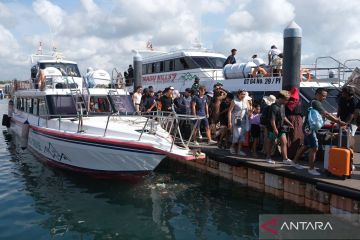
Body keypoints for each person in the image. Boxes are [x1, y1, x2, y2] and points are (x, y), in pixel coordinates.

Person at [293, 88, 347, 175]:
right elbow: (325, 114)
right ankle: (311, 169)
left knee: (305, 145)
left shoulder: (312, 101)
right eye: (323, 96)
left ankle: (294, 162)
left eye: (325, 96)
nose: (324, 98)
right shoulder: (316, 102)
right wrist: (339, 122)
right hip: (310, 128)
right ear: (317, 94)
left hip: (307, 127)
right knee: (314, 148)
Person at [265, 90, 294, 165]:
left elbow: (283, 116)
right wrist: (275, 129)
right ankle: (268, 157)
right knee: (271, 142)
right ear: (281, 98)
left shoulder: (282, 106)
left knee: (284, 142)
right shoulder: (274, 107)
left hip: (281, 127)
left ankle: (285, 158)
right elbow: (272, 120)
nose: (287, 101)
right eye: (286, 99)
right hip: (272, 128)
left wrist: (289, 123)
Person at [228, 89, 251, 156]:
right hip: (236, 119)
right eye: (242, 94)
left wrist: (250, 110)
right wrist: (229, 122)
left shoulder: (246, 101)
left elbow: (249, 110)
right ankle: (232, 147)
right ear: (238, 94)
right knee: (236, 135)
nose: (243, 95)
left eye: (244, 94)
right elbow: (229, 111)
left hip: (244, 120)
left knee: (242, 135)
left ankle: (239, 150)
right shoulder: (234, 101)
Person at [285, 87, 304, 159]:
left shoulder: (287, 102)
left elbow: (285, 113)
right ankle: (296, 154)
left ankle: (289, 153)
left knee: (290, 137)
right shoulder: (299, 102)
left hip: (289, 119)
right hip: (299, 120)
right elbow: (302, 113)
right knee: (298, 136)